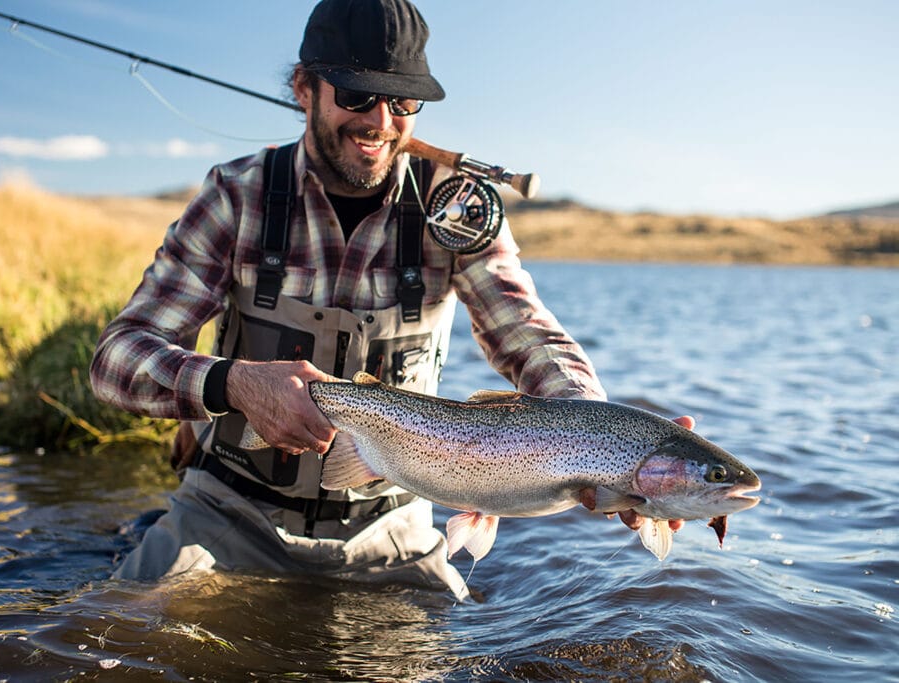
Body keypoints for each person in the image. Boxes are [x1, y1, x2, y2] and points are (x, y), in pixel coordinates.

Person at [90, 0, 686, 599]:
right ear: (304, 88)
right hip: (226, 516)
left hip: (389, 530)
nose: (381, 120)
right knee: (122, 630)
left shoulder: (457, 211)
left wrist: (602, 438)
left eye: (403, 102)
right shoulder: (237, 196)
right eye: (356, 95)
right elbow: (116, 360)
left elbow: (525, 333)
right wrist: (233, 383)